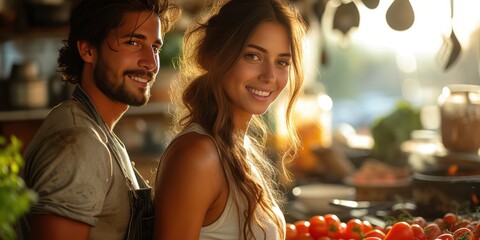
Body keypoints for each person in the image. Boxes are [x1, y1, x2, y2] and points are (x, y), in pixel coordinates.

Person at [16, 0, 180, 239]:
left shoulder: (96, 131)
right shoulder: (80, 143)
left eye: (155, 47)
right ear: (88, 50)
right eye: (133, 42)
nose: (151, 63)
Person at [153, 0, 307, 239]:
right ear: (212, 56)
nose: (269, 76)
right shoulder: (198, 155)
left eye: (282, 62)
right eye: (253, 56)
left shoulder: (237, 146)